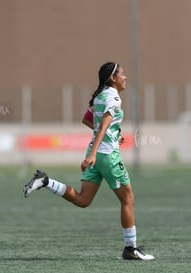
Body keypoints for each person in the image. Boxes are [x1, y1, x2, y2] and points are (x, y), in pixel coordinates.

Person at [23, 62, 154, 260]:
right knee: (128, 200)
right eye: (122, 74)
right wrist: (93, 154)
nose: (125, 77)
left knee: (83, 200)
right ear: (113, 78)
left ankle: (45, 181)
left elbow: (87, 119)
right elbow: (101, 127)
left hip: (97, 152)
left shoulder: (100, 96)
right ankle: (131, 249)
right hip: (107, 155)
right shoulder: (113, 98)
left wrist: (108, 139)